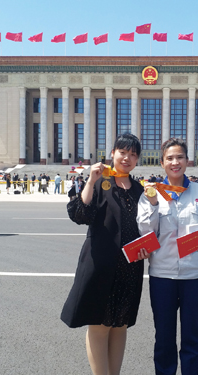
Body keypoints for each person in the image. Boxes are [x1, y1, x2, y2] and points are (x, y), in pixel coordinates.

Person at [137, 138, 198, 375]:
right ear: (162, 163)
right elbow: (145, 233)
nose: (175, 162)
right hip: (162, 276)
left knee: (193, 336)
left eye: (180, 157)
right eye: (170, 158)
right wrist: (153, 204)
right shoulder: (151, 194)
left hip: (195, 275)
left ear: (187, 160)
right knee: (164, 336)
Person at [61, 133, 145, 375]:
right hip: (101, 264)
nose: (127, 158)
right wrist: (90, 181)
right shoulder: (100, 183)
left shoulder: (140, 190)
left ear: (137, 159)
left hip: (129, 268)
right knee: (99, 325)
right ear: (112, 154)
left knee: (120, 325)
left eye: (133, 154)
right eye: (123, 152)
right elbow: (79, 215)